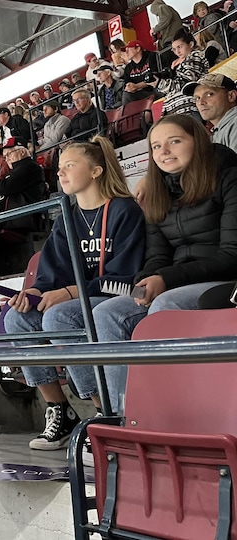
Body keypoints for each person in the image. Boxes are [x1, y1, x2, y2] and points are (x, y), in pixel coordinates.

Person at [2, 136, 146, 450]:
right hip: (78, 296)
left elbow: (125, 278)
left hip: (116, 295)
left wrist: (69, 293)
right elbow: (52, 270)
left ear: (95, 171)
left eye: (70, 165)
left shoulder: (125, 210)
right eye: (59, 168)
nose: (60, 173)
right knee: (17, 318)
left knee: (59, 317)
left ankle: (102, 411)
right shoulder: (67, 215)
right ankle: (60, 410)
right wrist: (35, 292)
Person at [92, 115, 237, 412]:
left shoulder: (229, 177)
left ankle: (173, 414)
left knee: (165, 307)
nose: (164, 152)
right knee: (106, 313)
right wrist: (145, 281)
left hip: (226, 279)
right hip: (179, 280)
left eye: (174, 141)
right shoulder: (158, 194)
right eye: (156, 146)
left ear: (197, 141)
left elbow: (231, 256)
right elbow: (157, 255)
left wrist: (166, 280)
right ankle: (125, 415)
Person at [160, 29, 209, 118]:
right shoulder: (184, 61)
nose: (177, 52)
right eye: (174, 49)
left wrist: (160, 83)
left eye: (180, 47)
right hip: (178, 109)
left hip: (188, 108)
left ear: (191, 44)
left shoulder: (196, 56)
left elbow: (186, 83)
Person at [185, 73, 237, 150]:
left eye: (209, 94)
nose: (201, 102)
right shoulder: (223, 128)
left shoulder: (234, 124)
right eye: (197, 98)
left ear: (231, 96)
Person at [121, 40, 161, 105]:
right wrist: (130, 87)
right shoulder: (128, 68)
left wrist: (137, 86)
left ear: (138, 49)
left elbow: (156, 77)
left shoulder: (152, 56)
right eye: (125, 50)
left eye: (128, 49)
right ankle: (130, 115)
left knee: (159, 88)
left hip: (155, 88)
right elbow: (129, 85)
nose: (126, 52)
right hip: (141, 94)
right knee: (126, 94)